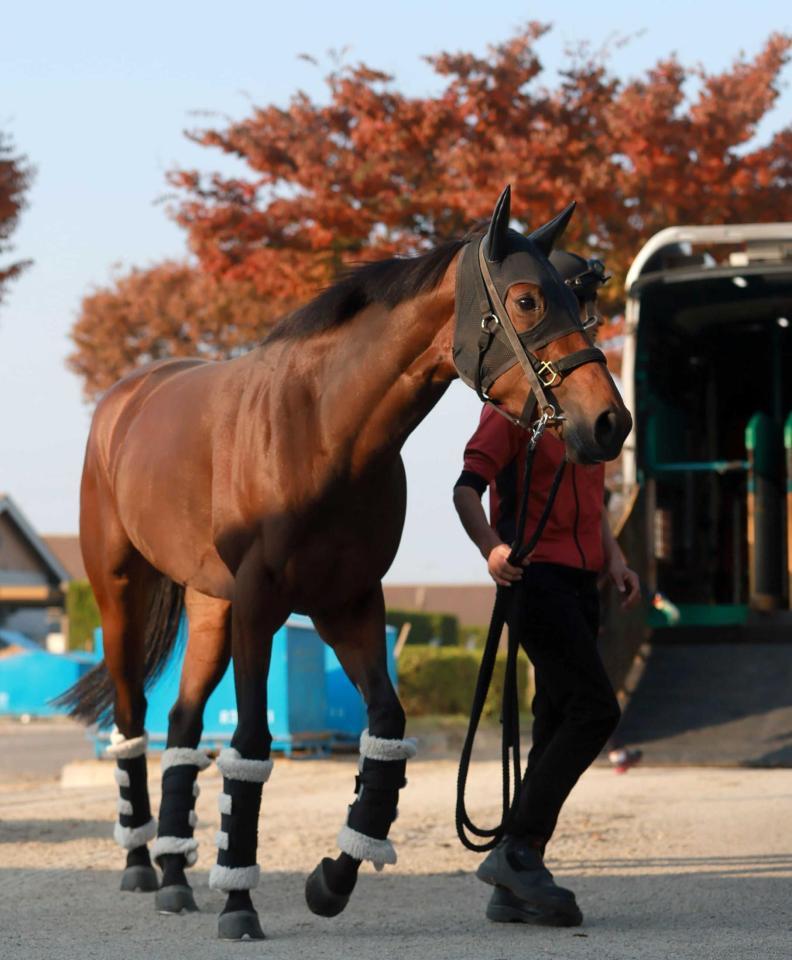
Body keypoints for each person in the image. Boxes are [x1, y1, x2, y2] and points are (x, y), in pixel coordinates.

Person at [452, 249, 640, 927]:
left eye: (588, 303)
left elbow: (591, 500)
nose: (587, 314)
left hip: (583, 580)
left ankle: (517, 872)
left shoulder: (583, 400)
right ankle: (515, 855)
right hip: (534, 580)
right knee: (596, 712)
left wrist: (615, 557)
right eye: (581, 300)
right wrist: (491, 548)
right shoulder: (512, 405)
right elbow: (466, 489)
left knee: (557, 720)